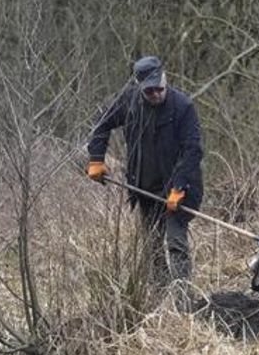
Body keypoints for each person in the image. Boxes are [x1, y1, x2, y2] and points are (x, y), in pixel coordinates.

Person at [86, 56, 204, 292]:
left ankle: (182, 298)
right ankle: (160, 294)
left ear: (165, 78)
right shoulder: (129, 102)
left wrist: (179, 187)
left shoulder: (183, 107)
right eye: (149, 91)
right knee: (152, 245)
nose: (155, 94)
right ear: (140, 87)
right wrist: (96, 159)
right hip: (144, 188)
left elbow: (193, 150)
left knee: (176, 243)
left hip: (178, 190)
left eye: (159, 89)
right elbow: (101, 124)